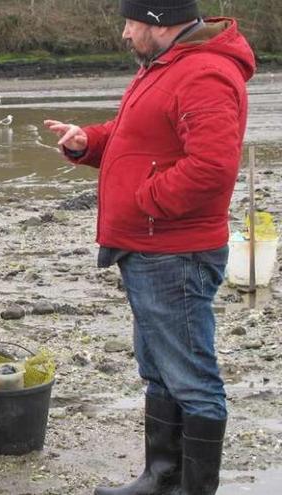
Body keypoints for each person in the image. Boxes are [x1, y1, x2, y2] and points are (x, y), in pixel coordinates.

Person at [43, 1, 255, 494]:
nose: (124, 34)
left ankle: (192, 488)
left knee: (192, 379)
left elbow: (212, 166)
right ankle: (161, 478)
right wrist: (87, 142)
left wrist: (146, 201)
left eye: (131, 23)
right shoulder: (165, 67)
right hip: (150, 248)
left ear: (159, 22)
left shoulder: (204, 73)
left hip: (173, 251)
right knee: (159, 370)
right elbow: (135, 138)